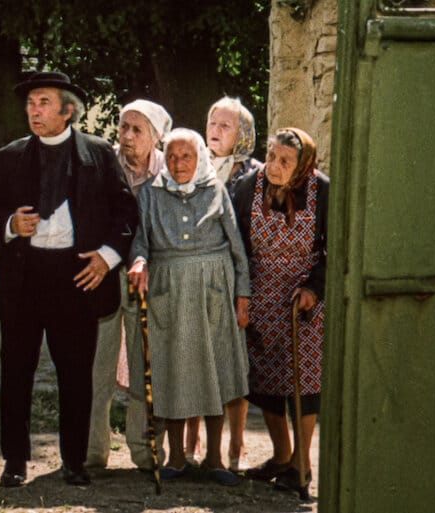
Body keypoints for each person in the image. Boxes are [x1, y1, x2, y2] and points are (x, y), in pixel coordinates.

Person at [0, 71, 139, 487]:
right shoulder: (10, 155)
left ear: (68, 110)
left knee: (75, 374)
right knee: (16, 372)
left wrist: (106, 259)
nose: (34, 110)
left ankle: (74, 461)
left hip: (77, 275)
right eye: (31, 103)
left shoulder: (98, 154)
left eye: (44, 102)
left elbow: (125, 214)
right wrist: (10, 223)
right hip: (25, 277)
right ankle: (14, 461)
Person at [127, 128, 250, 487]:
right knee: (172, 372)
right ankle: (177, 457)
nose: (179, 164)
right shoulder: (151, 193)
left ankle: (214, 459)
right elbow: (141, 242)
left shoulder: (216, 190)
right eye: (173, 157)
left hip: (213, 289)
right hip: (169, 290)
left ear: (200, 159)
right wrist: (138, 262)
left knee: (216, 374)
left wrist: (243, 295)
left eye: (187, 157)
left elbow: (237, 246)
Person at [233, 128, 328, 493]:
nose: (273, 166)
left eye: (285, 161)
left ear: (302, 165)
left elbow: (334, 249)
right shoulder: (246, 188)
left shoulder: (322, 191)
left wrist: (314, 288)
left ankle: (302, 464)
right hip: (260, 294)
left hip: (304, 301)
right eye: (271, 156)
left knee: (303, 380)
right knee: (266, 379)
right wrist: (243, 293)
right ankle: (281, 455)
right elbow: (238, 246)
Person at [86, 99, 171, 471]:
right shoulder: (103, 164)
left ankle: (144, 449)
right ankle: (91, 451)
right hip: (105, 274)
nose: (127, 136)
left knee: (146, 364)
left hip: (152, 278)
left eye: (138, 130)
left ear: (156, 137)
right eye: (124, 127)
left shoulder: (170, 169)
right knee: (95, 366)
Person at [183, 96, 263, 470]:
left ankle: (236, 443)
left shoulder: (255, 175)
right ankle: (191, 440)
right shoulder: (189, 166)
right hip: (195, 276)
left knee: (233, 362)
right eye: (213, 122)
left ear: (243, 135)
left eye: (225, 126)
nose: (215, 131)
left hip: (237, 278)